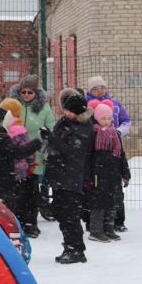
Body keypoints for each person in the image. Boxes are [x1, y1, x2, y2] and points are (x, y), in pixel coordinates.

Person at [45, 88, 96, 264]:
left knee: (70, 214)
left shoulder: (84, 128)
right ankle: (69, 245)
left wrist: (52, 140)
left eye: (68, 110)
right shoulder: (66, 122)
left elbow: (73, 152)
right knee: (61, 211)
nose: (64, 112)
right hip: (60, 175)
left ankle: (77, 249)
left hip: (72, 178)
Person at [10, 75, 57, 233]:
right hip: (15, 151)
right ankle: (18, 223)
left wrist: (48, 141)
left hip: (34, 152)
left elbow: (51, 127)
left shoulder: (43, 107)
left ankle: (31, 223)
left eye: (30, 92)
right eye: (23, 92)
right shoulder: (13, 105)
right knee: (17, 191)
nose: (26, 95)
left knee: (32, 190)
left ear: (36, 92)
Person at [0, 108, 43, 229]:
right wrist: (36, 143)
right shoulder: (1, 137)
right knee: (5, 210)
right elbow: (18, 152)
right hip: (3, 178)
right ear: (1, 122)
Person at [87, 76, 133, 231]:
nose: (99, 91)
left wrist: (118, 132)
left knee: (116, 190)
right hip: (97, 153)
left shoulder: (115, 104)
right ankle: (96, 224)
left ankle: (118, 221)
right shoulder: (87, 106)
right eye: (95, 88)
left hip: (114, 147)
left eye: (102, 87)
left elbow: (126, 121)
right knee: (97, 190)